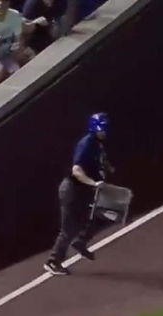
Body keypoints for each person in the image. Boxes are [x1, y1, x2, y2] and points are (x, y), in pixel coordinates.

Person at [45, 112, 113, 276]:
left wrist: (108, 167)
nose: (104, 132)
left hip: (83, 191)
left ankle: (80, 241)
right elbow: (77, 171)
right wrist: (94, 183)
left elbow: (100, 160)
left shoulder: (98, 144)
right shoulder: (86, 144)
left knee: (101, 214)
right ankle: (53, 261)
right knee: (68, 229)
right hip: (72, 190)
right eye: (102, 129)